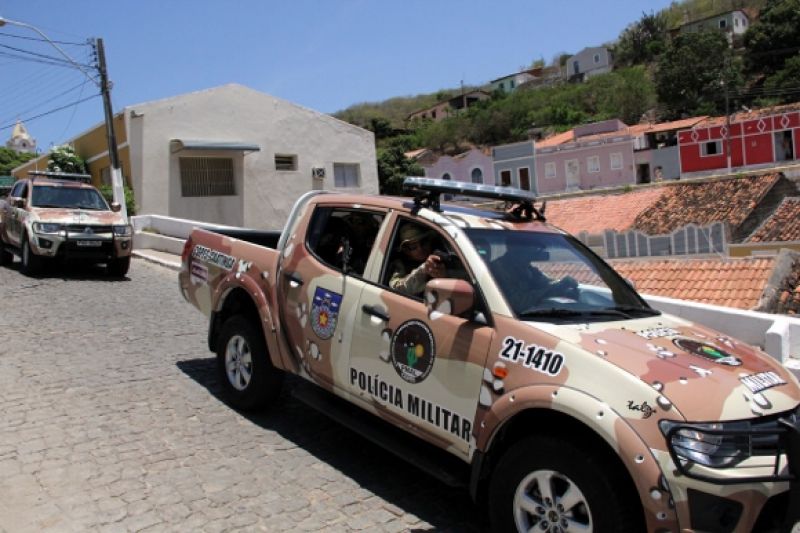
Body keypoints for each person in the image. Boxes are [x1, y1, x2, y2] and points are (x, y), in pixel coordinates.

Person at [388, 223, 446, 296]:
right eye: (413, 247)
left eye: (423, 243)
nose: (420, 249)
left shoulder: (440, 257)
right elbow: (396, 289)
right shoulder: (400, 264)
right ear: (406, 251)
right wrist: (424, 269)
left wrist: (445, 274)